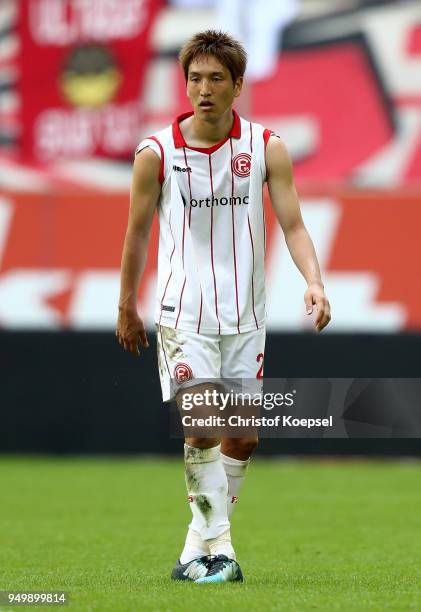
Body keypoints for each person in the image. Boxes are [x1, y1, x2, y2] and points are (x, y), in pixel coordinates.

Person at [116, 29, 331, 584]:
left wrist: (315, 281)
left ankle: (197, 550)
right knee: (203, 425)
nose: (203, 89)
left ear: (237, 85)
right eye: (194, 78)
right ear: (184, 84)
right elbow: (137, 235)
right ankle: (222, 550)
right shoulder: (155, 154)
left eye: (216, 79)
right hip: (183, 314)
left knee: (243, 437)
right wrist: (126, 306)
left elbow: (293, 224)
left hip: (245, 317)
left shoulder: (266, 147)